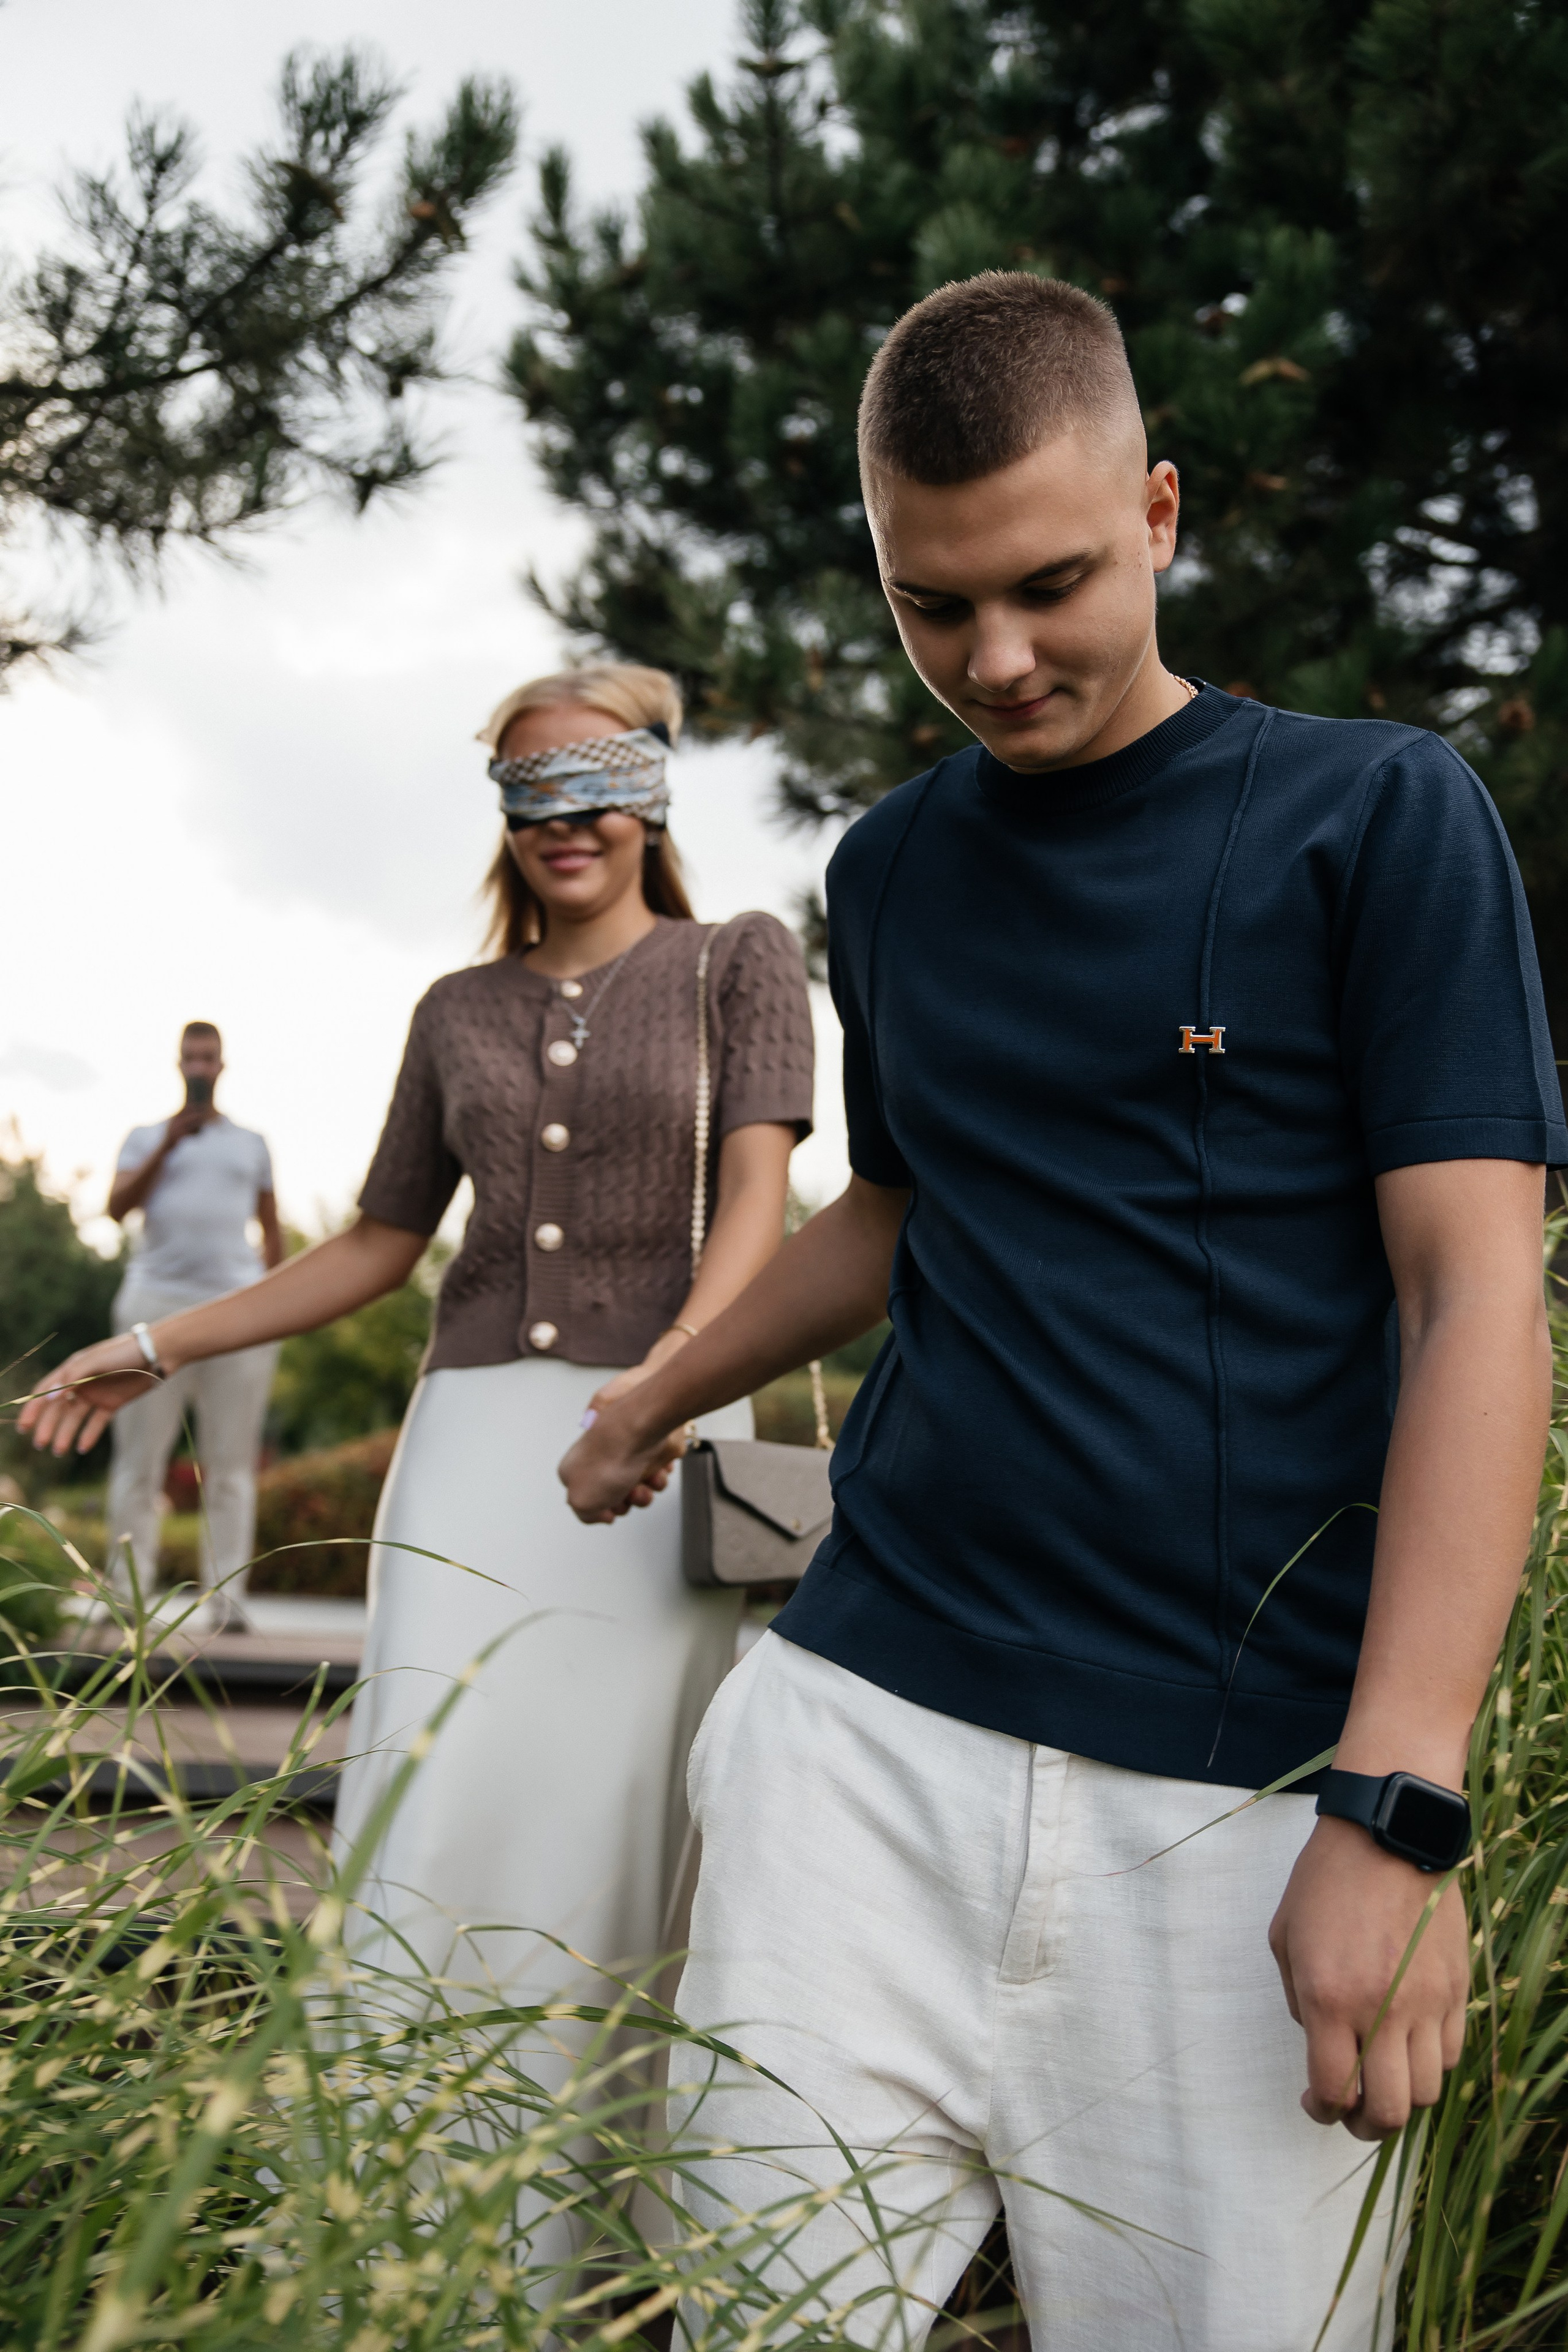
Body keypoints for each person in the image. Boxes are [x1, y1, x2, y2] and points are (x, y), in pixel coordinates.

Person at [559, 276, 1562, 2350]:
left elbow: (1475, 1296)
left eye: (1050, 584)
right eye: (935, 608)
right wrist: (660, 1389)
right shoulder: (895, 868)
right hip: (861, 1743)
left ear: (1163, 512)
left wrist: (1399, 1802)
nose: (997, 660)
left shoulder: (1381, 817)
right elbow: (906, 1205)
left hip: (1242, 1801)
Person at [23, 662, 814, 2013]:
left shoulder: (733, 960)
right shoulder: (454, 1011)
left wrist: (669, 1381)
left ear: (653, 797)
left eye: (594, 784)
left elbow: (757, 1201)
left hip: (669, 1424)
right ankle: (415, 2173)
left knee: (622, 1789)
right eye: (526, 794)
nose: (561, 820)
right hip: (473, 1439)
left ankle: (599, 2183)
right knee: (437, 1773)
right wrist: (158, 1345)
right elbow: (377, 1244)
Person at [102, 1019, 283, 1633]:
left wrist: (276, 1306)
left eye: (209, 1058)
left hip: (235, 1310)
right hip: (153, 1302)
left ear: (222, 1065)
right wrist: (169, 1145)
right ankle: (127, 1595)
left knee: (230, 1464)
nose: (200, 1067)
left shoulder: (251, 1144)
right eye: (191, 1058)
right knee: (138, 1461)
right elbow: (117, 1207)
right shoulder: (145, 1137)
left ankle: (226, 1598)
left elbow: (272, 1228)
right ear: (179, 1065)